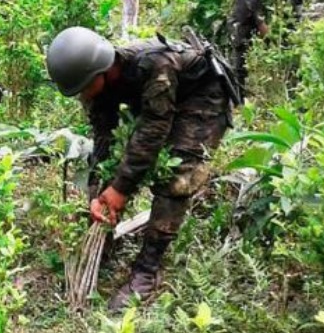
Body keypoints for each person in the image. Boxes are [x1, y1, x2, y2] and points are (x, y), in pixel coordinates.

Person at [45, 27, 234, 312]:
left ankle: (147, 271)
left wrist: (121, 189)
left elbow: (153, 131)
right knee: (104, 175)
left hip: (202, 96)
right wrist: (101, 194)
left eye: (84, 87)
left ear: (102, 71)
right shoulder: (98, 87)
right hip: (158, 103)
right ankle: (102, 245)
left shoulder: (154, 66)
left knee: (176, 179)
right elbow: (105, 140)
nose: (83, 96)